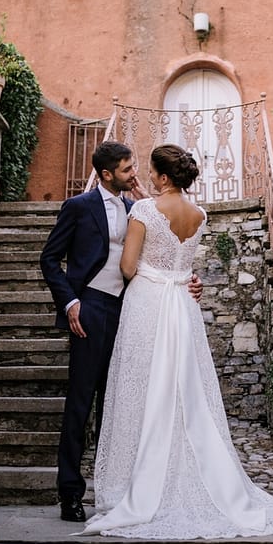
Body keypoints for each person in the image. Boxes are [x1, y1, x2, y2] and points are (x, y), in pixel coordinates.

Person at [82, 143, 273, 539]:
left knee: (140, 388)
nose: (147, 176)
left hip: (147, 304)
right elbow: (180, 259)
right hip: (182, 305)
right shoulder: (200, 215)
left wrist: (142, 224)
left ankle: (134, 483)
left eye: (153, 171)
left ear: (164, 176)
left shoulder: (142, 211)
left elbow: (127, 266)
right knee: (182, 391)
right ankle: (189, 472)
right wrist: (180, 274)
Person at [40, 140, 201, 522]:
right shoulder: (78, 208)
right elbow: (49, 259)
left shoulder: (139, 208)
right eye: (127, 170)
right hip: (90, 308)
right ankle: (71, 494)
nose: (134, 175)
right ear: (107, 174)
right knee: (80, 404)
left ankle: (119, 489)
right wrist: (70, 301)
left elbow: (161, 254)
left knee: (124, 404)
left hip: (133, 311)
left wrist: (188, 279)